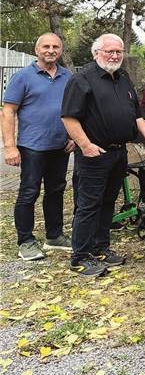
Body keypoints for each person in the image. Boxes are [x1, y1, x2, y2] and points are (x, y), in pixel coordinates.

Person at [60, 33, 145, 277]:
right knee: (88, 205)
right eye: (110, 51)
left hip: (119, 153)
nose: (115, 56)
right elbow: (69, 117)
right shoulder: (82, 79)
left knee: (108, 203)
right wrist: (85, 145)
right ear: (96, 53)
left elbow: (137, 114)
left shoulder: (122, 77)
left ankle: (100, 247)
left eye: (118, 51)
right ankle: (80, 256)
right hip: (94, 154)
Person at [3, 33, 74, 261]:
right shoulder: (23, 77)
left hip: (60, 146)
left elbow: (75, 110)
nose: (51, 50)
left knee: (56, 190)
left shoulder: (68, 77)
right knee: (29, 192)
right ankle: (26, 241)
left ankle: (54, 236)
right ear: (37, 50)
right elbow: (8, 112)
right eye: (46, 46)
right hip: (32, 147)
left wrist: (73, 137)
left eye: (55, 47)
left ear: (60, 51)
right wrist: (10, 147)